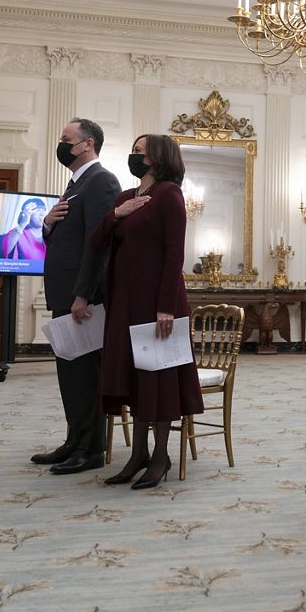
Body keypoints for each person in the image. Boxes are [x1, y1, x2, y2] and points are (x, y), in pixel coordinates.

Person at [91, 134, 203, 490]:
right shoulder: (126, 197)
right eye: (133, 151)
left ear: (157, 158)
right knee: (134, 379)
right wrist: (115, 214)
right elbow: (96, 242)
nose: (133, 156)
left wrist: (166, 307)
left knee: (158, 379)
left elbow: (175, 254)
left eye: (139, 152)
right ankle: (136, 454)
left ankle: (159, 457)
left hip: (158, 303)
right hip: (124, 302)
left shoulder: (169, 194)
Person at [32, 118, 121, 475]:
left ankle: (92, 449)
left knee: (86, 376)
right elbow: (66, 238)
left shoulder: (102, 181)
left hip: (82, 299)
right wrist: (47, 224)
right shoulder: (74, 185)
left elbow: (98, 245)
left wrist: (84, 294)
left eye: (65, 138)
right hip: (64, 294)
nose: (61, 143)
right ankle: (73, 441)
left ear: (87, 144)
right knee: (69, 374)